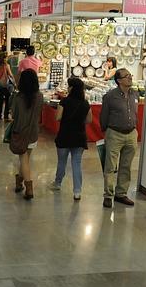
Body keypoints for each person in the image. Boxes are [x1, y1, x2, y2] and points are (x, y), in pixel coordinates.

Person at [48, 78, 92, 200]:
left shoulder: (65, 102)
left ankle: (57, 183)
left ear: (71, 88)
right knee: (76, 163)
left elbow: (58, 117)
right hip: (79, 136)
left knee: (62, 161)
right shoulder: (85, 103)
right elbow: (89, 120)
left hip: (65, 135)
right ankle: (77, 191)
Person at [100, 68, 138, 208]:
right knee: (110, 166)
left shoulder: (135, 93)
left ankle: (121, 194)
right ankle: (108, 195)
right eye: (126, 76)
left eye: (130, 75)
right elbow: (103, 116)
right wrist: (106, 132)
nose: (130, 77)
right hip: (114, 134)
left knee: (126, 166)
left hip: (132, 134)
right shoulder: (110, 96)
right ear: (119, 80)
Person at [11, 69, 43, 200]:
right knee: (25, 160)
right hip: (33, 132)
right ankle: (19, 182)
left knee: (23, 160)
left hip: (20, 132)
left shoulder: (18, 98)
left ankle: (29, 189)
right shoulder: (40, 96)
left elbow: (13, 115)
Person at [0, 53, 14, 120]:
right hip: (5, 85)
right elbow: (10, 75)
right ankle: (6, 116)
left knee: (0, 100)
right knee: (7, 100)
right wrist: (15, 83)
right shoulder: (6, 65)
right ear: (4, 58)